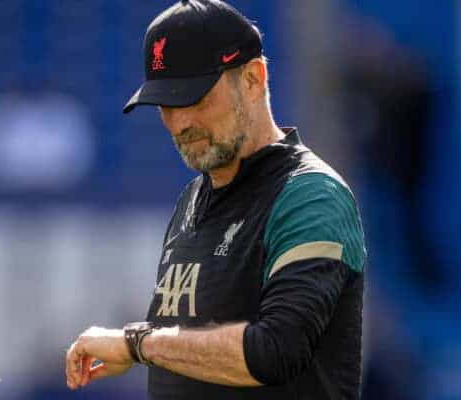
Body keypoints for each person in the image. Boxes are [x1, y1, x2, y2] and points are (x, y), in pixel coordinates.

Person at [65, 1, 366, 399]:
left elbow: (275, 351)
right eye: (166, 105)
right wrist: (142, 348)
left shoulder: (310, 195)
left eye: (195, 98)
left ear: (254, 79)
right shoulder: (191, 199)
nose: (180, 122)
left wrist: (136, 344)